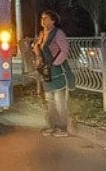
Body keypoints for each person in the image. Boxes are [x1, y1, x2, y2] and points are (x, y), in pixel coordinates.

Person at [32, 9, 75, 137]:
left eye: (45, 18)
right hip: (46, 71)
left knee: (59, 100)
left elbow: (64, 50)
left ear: (53, 20)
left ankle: (63, 127)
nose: (43, 20)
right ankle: (52, 125)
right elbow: (37, 48)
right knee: (49, 99)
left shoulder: (58, 33)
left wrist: (55, 63)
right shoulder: (42, 34)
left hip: (58, 70)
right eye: (42, 18)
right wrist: (38, 57)